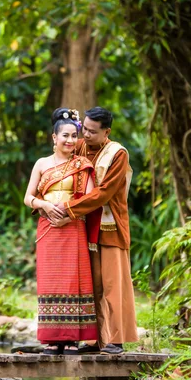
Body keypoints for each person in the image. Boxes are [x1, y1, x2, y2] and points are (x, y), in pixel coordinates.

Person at [52, 106, 138, 355]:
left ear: (106, 131)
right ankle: (93, 340)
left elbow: (103, 194)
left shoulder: (118, 153)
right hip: (84, 225)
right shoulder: (79, 146)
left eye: (91, 131)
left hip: (110, 226)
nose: (85, 135)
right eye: (84, 129)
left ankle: (116, 339)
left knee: (113, 285)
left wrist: (68, 208)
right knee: (91, 286)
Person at [24, 108, 98, 355]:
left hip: (73, 226)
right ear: (53, 138)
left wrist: (67, 218)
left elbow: (89, 198)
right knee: (50, 281)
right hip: (48, 229)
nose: (69, 140)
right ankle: (53, 340)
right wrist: (43, 204)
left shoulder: (82, 165)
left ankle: (72, 339)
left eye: (73, 136)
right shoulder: (42, 164)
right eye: (64, 135)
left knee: (73, 281)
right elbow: (28, 197)